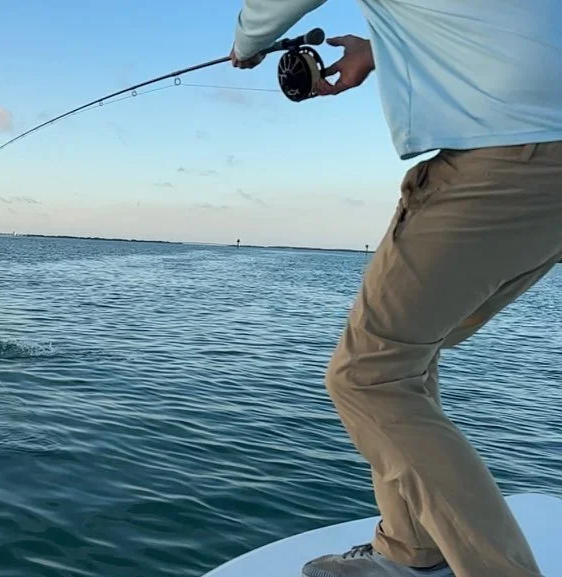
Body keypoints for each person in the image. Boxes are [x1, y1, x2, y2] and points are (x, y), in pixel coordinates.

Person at [226, 1, 562, 577]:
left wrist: (248, 40)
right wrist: (380, 49)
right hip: (542, 155)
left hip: (508, 154)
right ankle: (411, 546)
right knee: (406, 352)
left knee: (366, 374)